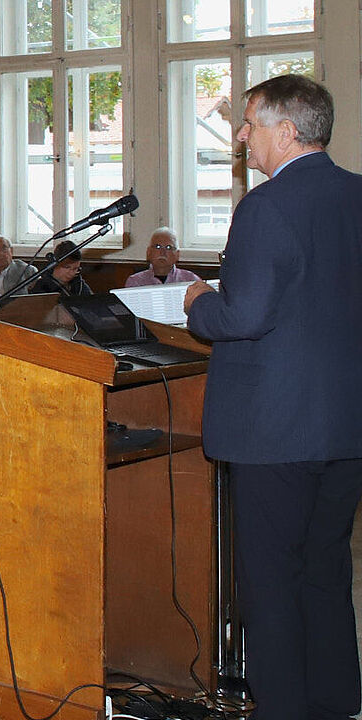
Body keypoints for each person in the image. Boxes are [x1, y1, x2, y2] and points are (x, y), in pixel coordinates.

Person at [183, 74, 362, 720]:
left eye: (250, 122)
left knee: (271, 582)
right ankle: (336, 698)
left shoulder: (266, 206)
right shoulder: (356, 197)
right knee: (325, 567)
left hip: (274, 431)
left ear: (288, 131)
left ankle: (284, 708)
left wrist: (198, 301)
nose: (240, 134)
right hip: (345, 427)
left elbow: (242, 317)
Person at [125, 228, 202, 287]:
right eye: (157, 247)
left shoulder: (191, 281)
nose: (162, 252)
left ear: (177, 254)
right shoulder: (135, 282)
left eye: (168, 247)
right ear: (148, 252)